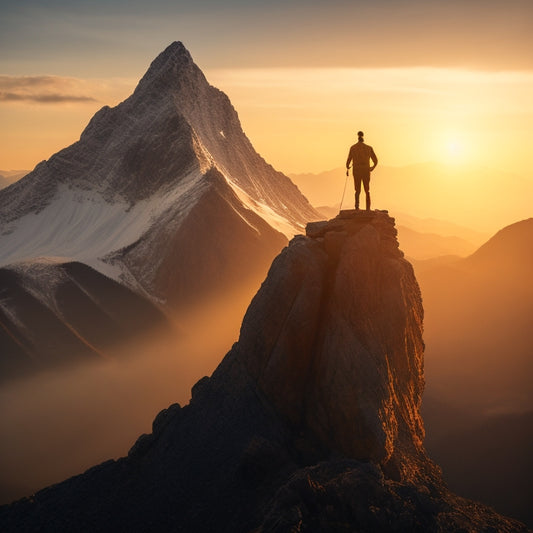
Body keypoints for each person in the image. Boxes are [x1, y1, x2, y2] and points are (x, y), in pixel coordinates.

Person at [346, 131, 378, 210]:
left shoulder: (353, 148)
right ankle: (368, 208)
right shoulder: (369, 148)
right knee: (367, 190)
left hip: (356, 170)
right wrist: (372, 168)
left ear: (358, 137)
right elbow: (376, 160)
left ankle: (357, 207)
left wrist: (348, 167)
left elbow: (348, 161)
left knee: (357, 190)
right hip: (366, 170)